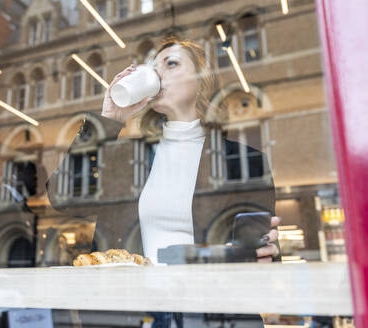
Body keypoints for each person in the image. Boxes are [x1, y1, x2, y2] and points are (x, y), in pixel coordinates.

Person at [47, 37, 279, 326]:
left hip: (214, 314)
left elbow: (258, 260)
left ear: (200, 80)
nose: (157, 74)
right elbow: (59, 198)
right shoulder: (129, 158)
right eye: (153, 67)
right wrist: (109, 120)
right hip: (142, 315)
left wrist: (267, 254)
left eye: (171, 64)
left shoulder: (243, 160)